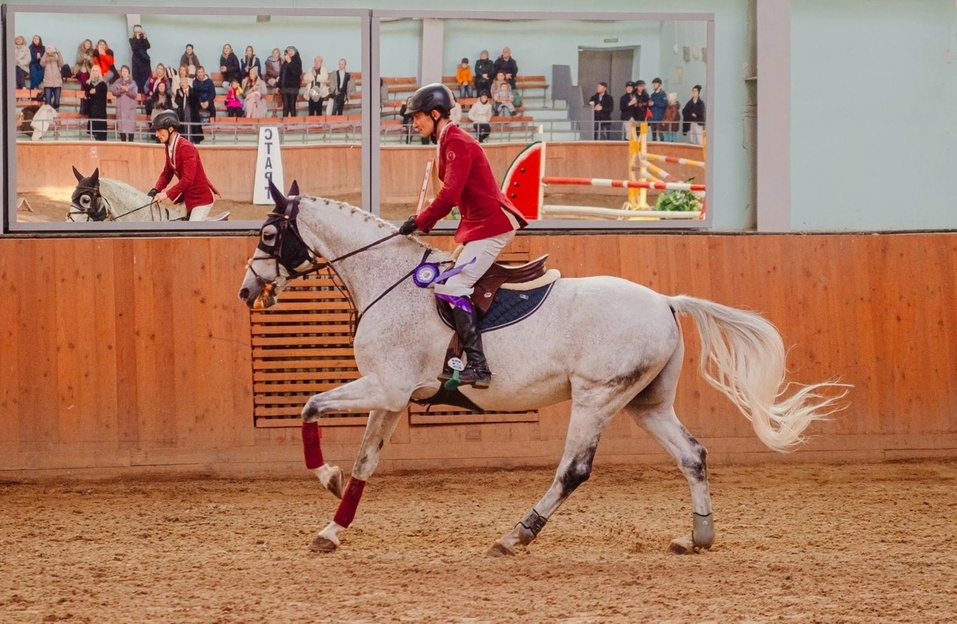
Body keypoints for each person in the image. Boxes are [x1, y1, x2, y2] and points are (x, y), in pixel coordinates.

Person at [397, 84, 528, 389]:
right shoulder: (446, 141)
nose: (414, 123)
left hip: (493, 225)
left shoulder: (456, 141)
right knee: (444, 278)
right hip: (480, 224)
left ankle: (479, 367)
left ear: (434, 114)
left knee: (454, 285)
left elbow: (449, 195)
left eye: (417, 117)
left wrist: (419, 221)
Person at [147, 110, 220, 222]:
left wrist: (166, 194)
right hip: (188, 197)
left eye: (159, 130)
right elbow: (167, 173)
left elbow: (188, 179)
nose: (156, 134)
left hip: (201, 198)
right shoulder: (169, 146)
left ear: (170, 129)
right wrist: (156, 189)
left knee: (191, 231)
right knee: (174, 222)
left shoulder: (186, 147)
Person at [110, 65, 139, 142]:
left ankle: (131, 142)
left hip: (130, 109)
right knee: (121, 126)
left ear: (129, 72)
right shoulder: (117, 82)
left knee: (130, 126)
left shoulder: (133, 82)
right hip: (121, 107)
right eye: (123, 71)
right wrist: (121, 91)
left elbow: (134, 95)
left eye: (126, 71)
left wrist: (127, 90)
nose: (124, 73)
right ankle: (123, 142)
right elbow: (114, 92)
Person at [174, 77, 203, 144]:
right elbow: (177, 102)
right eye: (181, 83)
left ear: (187, 83)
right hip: (182, 112)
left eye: (184, 82)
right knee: (182, 127)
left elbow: (195, 101)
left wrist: (188, 96)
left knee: (193, 127)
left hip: (192, 112)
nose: (183, 84)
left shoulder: (193, 90)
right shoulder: (178, 91)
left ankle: (194, 141)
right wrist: (181, 97)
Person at [83, 65, 108, 141]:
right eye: (93, 70)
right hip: (92, 108)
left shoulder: (103, 84)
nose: (95, 72)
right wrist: (90, 93)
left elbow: (103, 95)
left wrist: (95, 92)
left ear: (99, 72)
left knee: (101, 130)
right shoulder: (88, 84)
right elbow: (87, 94)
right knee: (93, 129)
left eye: (97, 70)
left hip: (100, 109)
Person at [278, 46, 303, 117]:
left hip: (293, 87)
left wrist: (290, 62)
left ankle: (293, 124)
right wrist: (278, 86)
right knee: (285, 106)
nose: (290, 52)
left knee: (292, 106)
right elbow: (282, 74)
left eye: (292, 51)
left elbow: (296, 72)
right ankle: (284, 124)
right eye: (289, 51)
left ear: (295, 52)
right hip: (284, 88)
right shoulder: (285, 61)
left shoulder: (297, 60)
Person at [40, 45, 64, 110]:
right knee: (47, 102)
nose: (50, 50)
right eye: (48, 49)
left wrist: (58, 52)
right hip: (47, 82)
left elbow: (61, 63)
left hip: (57, 82)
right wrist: (45, 53)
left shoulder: (56, 56)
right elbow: (42, 63)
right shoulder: (45, 57)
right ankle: (49, 116)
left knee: (57, 102)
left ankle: (53, 111)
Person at [129, 25, 151, 92]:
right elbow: (134, 48)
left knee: (145, 79)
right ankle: (138, 94)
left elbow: (148, 46)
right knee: (137, 79)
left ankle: (145, 93)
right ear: (134, 33)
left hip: (145, 62)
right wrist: (137, 38)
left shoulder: (143, 39)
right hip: (136, 62)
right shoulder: (132, 40)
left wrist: (145, 38)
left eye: (139, 32)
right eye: (137, 32)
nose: (138, 33)